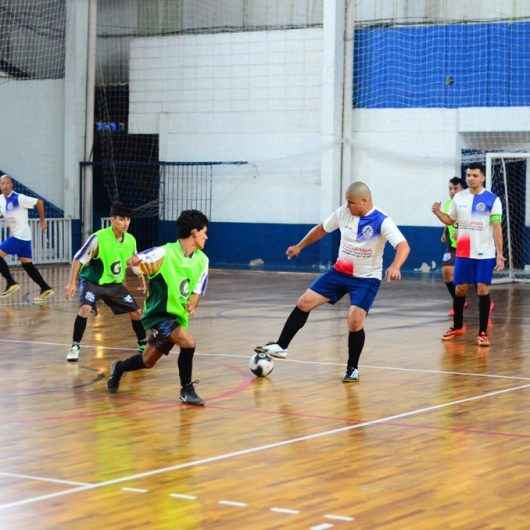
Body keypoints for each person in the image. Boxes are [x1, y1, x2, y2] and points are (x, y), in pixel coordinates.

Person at [255, 181, 410, 382]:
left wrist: (395, 266)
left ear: (365, 201)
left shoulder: (382, 221)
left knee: (354, 321)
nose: (347, 205)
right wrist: (300, 246)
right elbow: (321, 229)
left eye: (351, 202)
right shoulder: (344, 212)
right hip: (339, 273)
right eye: (346, 201)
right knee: (304, 302)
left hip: (366, 279)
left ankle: (352, 369)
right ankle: (281, 346)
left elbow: (403, 246)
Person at [107, 209, 209, 406]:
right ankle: (186, 390)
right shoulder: (163, 252)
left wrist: (192, 304)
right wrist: (136, 263)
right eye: (204, 231)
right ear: (194, 232)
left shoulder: (203, 260)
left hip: (177, 317)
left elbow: (197, 289)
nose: (206, 236)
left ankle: (119, 368)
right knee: (188, 342)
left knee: (148, 361)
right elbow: (135, 261)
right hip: (158, 314)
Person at [432, 163, 504, 346]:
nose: (470, 178)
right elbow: (450, 219)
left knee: (482, 289)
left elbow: (497, 228)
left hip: (485, 253)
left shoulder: (492, 199)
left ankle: (482, 333)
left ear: (483, 178)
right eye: (468, 175)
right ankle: (457, 327)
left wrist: (500, 254)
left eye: (474, 175)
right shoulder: (459, 197)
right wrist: (438, 212)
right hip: (464, 252)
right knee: (460, 289)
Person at [64, 202, 147, 362]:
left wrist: (141, 277)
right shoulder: (98, 238)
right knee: (85, 309)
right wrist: (72, 283)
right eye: (122, 219)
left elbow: (132, 261)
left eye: (128, 219)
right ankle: (75, 346)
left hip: (114, 285)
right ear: (112, 219)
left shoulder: (130, 240)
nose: (126, 223)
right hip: (93, 282)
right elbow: (77, 259)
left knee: (136, 312)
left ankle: (143, 342)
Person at [0, 173, 55, 301]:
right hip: (22, 237)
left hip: (20, 236)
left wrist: (42, 221)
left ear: (12, 185)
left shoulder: (19, 198)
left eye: (7, 183)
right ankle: (45, 288)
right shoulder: (1, 199)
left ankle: (11, 282)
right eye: (2, 183)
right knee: (27, 265)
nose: (5, 186)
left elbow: (39, 202)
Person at [440, 177, 465, 316]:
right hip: (452, 245)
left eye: (455, 188)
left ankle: (487, 301)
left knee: (473, 279)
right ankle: (459, 302)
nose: (452, 191)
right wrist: (444, 232)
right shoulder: (448, 203)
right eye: (450, 188)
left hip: (467, 245)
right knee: (446, 273)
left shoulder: (468, 203)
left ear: (462, 189)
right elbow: (447, 220)